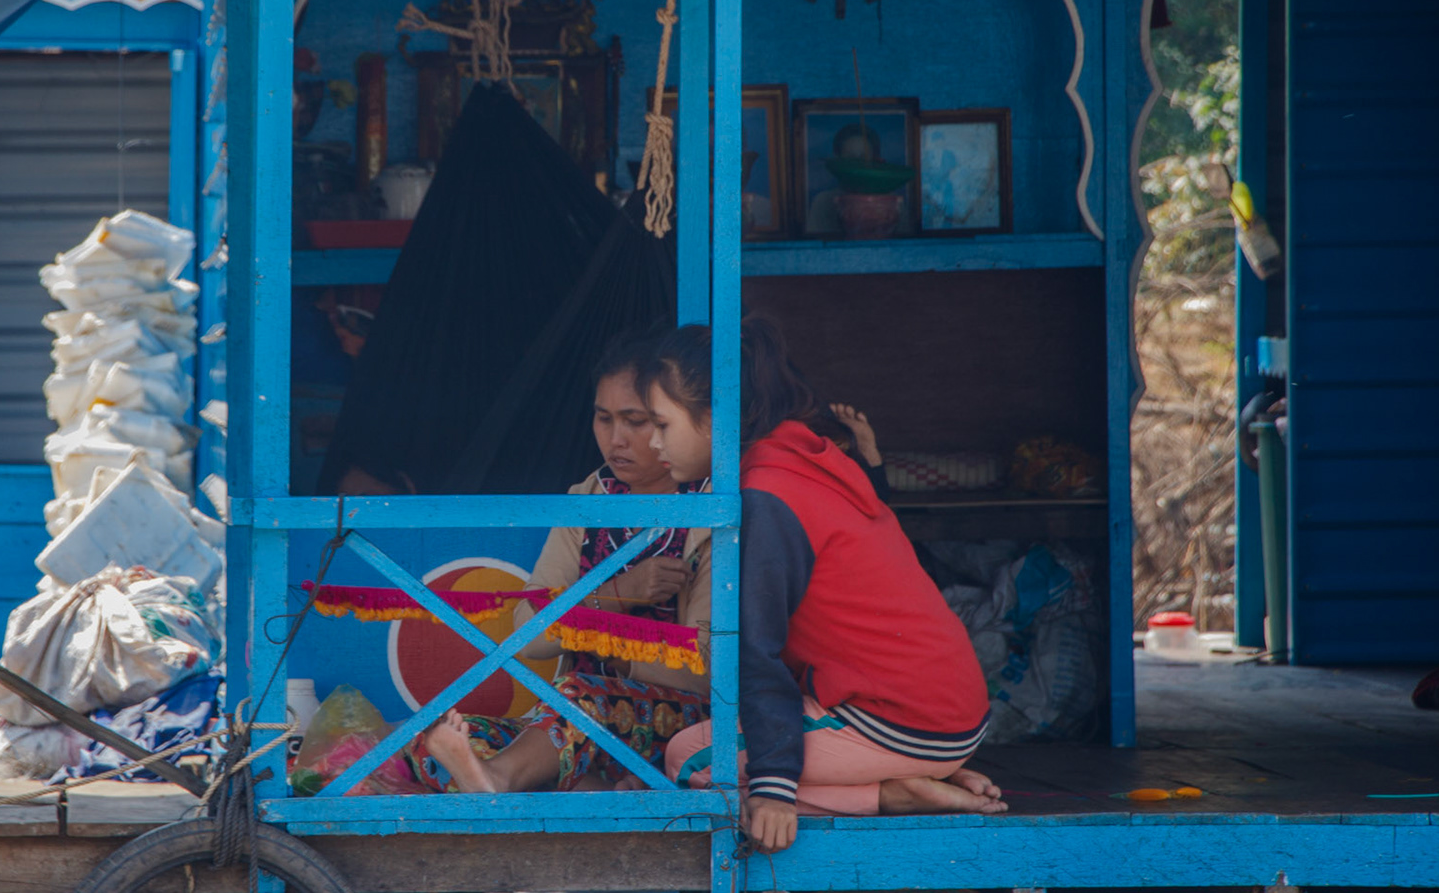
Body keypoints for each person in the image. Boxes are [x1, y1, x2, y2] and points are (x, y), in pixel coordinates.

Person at [648, 319, 1003, 853]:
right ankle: (907, 774)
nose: (653, 443)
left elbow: (757, 649)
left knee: (688, 758)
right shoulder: (803, 455)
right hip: (949, 712)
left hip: (900, 722)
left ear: (714, 418)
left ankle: (891, 794)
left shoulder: (767, 493)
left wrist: (773, 786)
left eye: (661, 423)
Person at [414, 333, 711, 793]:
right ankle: (579, 784)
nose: (615, 439)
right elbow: (528, 635)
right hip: (576, 721)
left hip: (685, 724)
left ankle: (502, 780)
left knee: (579, 698)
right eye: (603, 418)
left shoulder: (711, 511)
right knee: (427, 740)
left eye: (636, 421)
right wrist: (616, 596)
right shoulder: (588, 499)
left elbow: (708, 670)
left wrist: (608, 648)